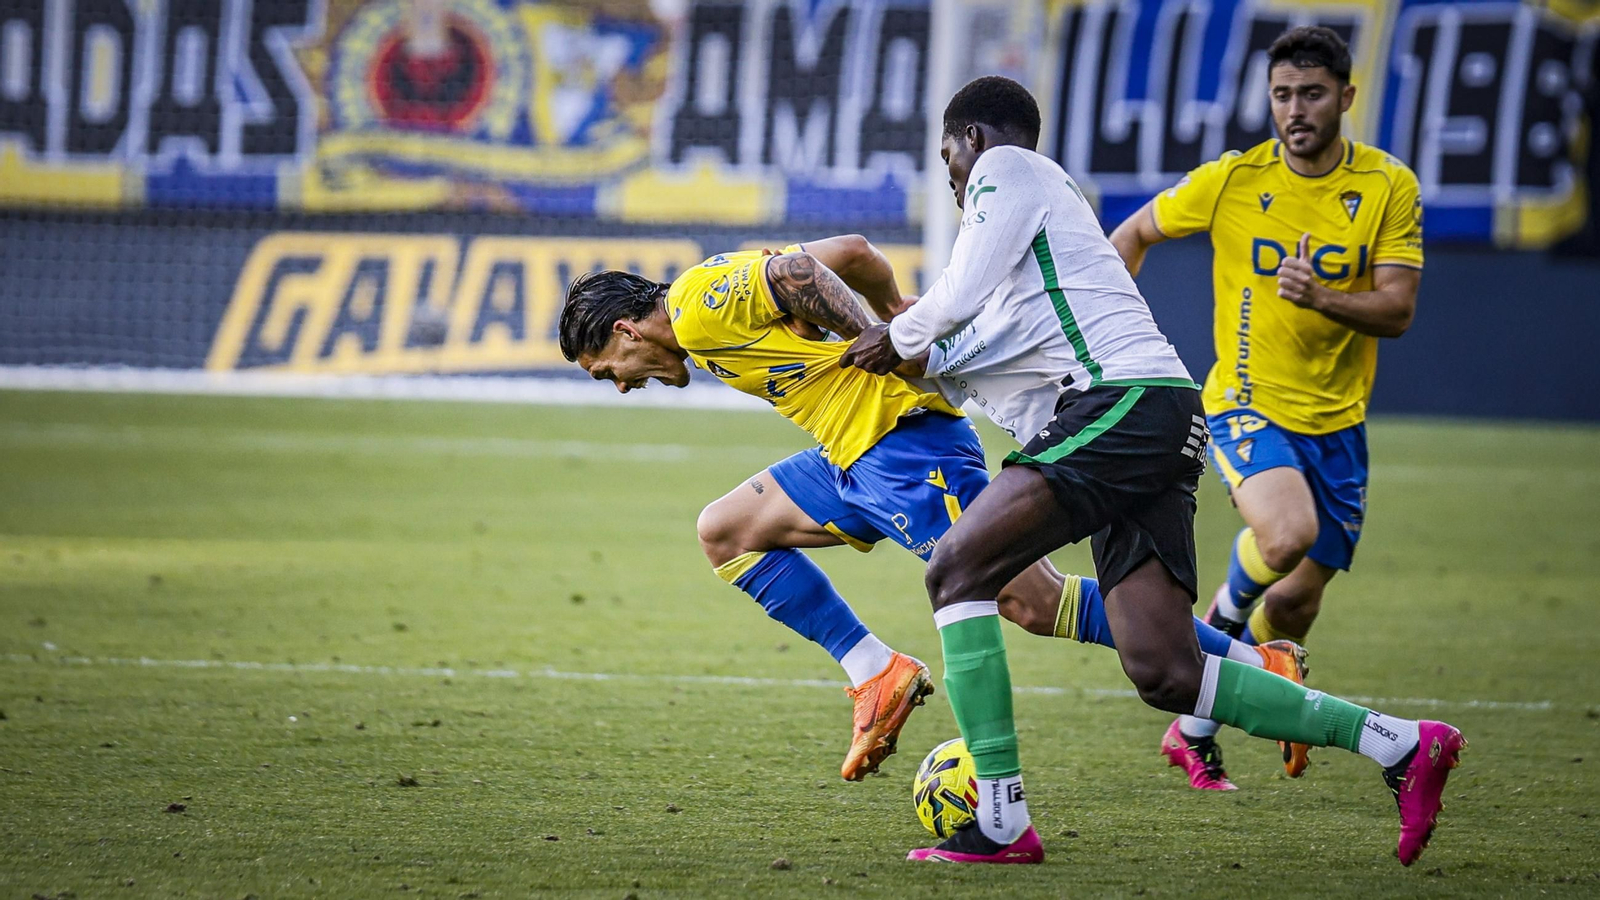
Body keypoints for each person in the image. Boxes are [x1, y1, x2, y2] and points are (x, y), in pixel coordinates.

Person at [841, 74, 1462, 866]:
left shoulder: (1012, 170)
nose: (953, 181)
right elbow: (958, 351)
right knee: (1165, 670)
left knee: (958, 568)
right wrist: (869, 351)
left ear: (971, 141)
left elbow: (951, 301)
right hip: (1156, 417)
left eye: (948, 159)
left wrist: (895, 337)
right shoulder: (1036, 254)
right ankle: (1403, 745)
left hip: (1122, 406)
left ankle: (999, 819)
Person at [556, 235, 1304, 785]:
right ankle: (875, 671)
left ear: (624, 332)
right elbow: (852, 250)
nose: (622, 385)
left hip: (905, 447)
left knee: (1030, 601)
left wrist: (886, 340)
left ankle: (1254, 660)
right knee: (725, 531)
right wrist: (888, 307)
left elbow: (798, 272)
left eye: (607, 371)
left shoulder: (693, 305)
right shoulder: (701, 323)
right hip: (849, 456)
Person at [1108, 25, 1425, 790]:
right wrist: (1110, 342)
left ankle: (1194, 732)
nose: (1295, 110)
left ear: (1346, 98)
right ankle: (1216, 629)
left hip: (1338, 423)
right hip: (1245, 401)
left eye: (1312, 94)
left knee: (1293, 606)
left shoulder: (1387, 187)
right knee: (1284, 537)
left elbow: (1397, 308)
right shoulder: (1233, 179)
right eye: (1283, 94)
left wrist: (1322, 297)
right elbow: (1135, 232)